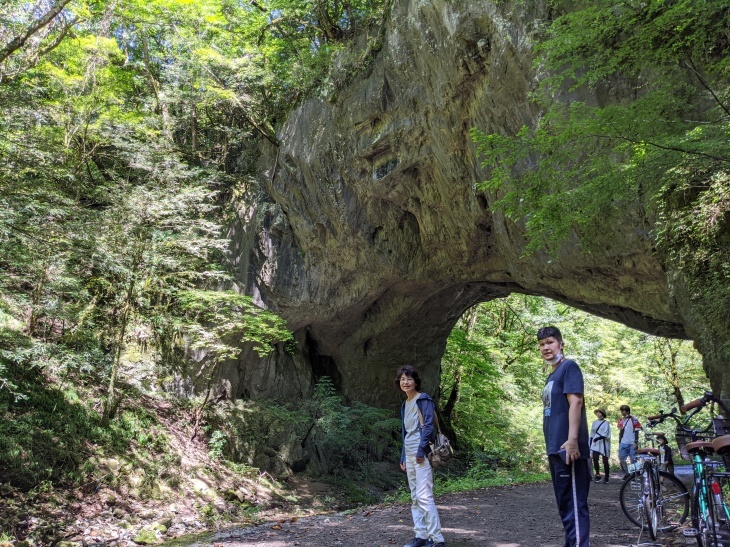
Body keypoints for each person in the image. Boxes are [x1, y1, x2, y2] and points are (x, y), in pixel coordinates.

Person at [538, 326, 591, 547]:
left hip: (568, 449)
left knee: (574, 505)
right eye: (541, 345)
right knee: (565, 504)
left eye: (549, 342)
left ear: (561, 344)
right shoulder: (552, 374)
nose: (545, 348)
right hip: (555, 448)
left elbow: (575, 402)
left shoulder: (569, 367)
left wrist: (571, 440)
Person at [395, 365, 446, 547]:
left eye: (409, 379)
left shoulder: (422, 399)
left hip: (421, 453)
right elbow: (406, 432)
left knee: (424, 496)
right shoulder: (405, 403)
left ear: (416, 381)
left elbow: (429, 426)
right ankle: (421, 536)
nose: (405, 382)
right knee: (415, 496)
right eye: (402, 379)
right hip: (409, 453)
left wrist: (421, 450)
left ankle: (437, 539)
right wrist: (403, 456)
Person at [617, 405, 642, 478]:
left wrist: (636, 442)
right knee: (621, 458)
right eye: (621, 411)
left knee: (633, 460)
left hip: (632, 443)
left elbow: (637, 432)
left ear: (627, 411)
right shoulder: (620, 420)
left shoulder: (634, 420)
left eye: (624, 410)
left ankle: (634, 475)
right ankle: (627, 473)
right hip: (623, 442)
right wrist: (619, 442)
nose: (622, 412)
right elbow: (621, 432)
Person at [589, 408, 611, 483]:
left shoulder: (606, 423)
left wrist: (599, 438)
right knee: (595, 459)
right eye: (597, 413)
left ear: (602, 414)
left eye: (600, 412)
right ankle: (597, 475)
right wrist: (591, 443)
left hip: (604, 442)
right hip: (595, 443)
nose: (598, 414)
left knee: (605, 460)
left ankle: (607, 477)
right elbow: (592, 434)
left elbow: (606, 434)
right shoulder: (594, 422)